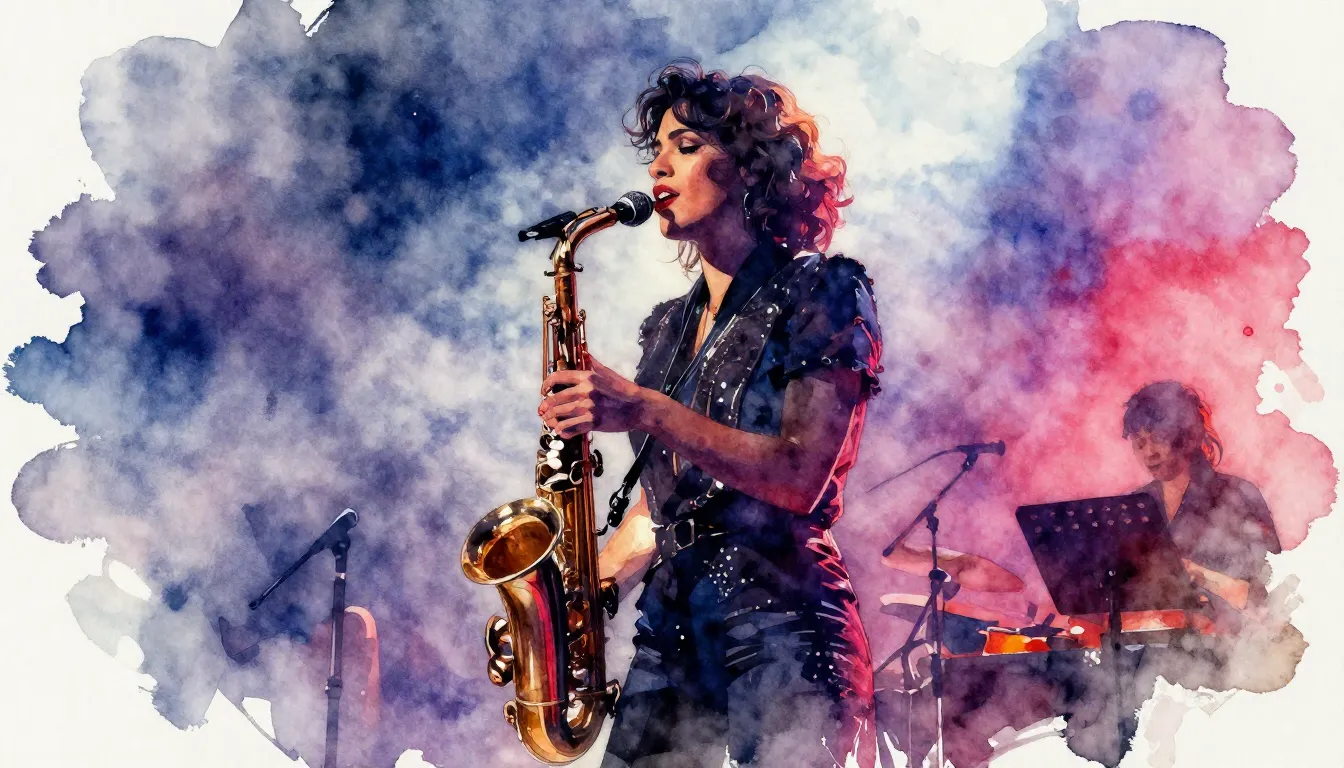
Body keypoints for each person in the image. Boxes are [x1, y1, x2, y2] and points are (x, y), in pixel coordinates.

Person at [537, 61, 882, 767]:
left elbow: (799, 475)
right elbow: (669, 500)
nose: (658, 168)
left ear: (751, 168)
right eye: (658, 149)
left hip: (785, 622)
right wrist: (583, 593)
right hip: (672, 624)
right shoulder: (667, 326)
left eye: (687, 146)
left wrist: (645, 408)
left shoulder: (823, 290)